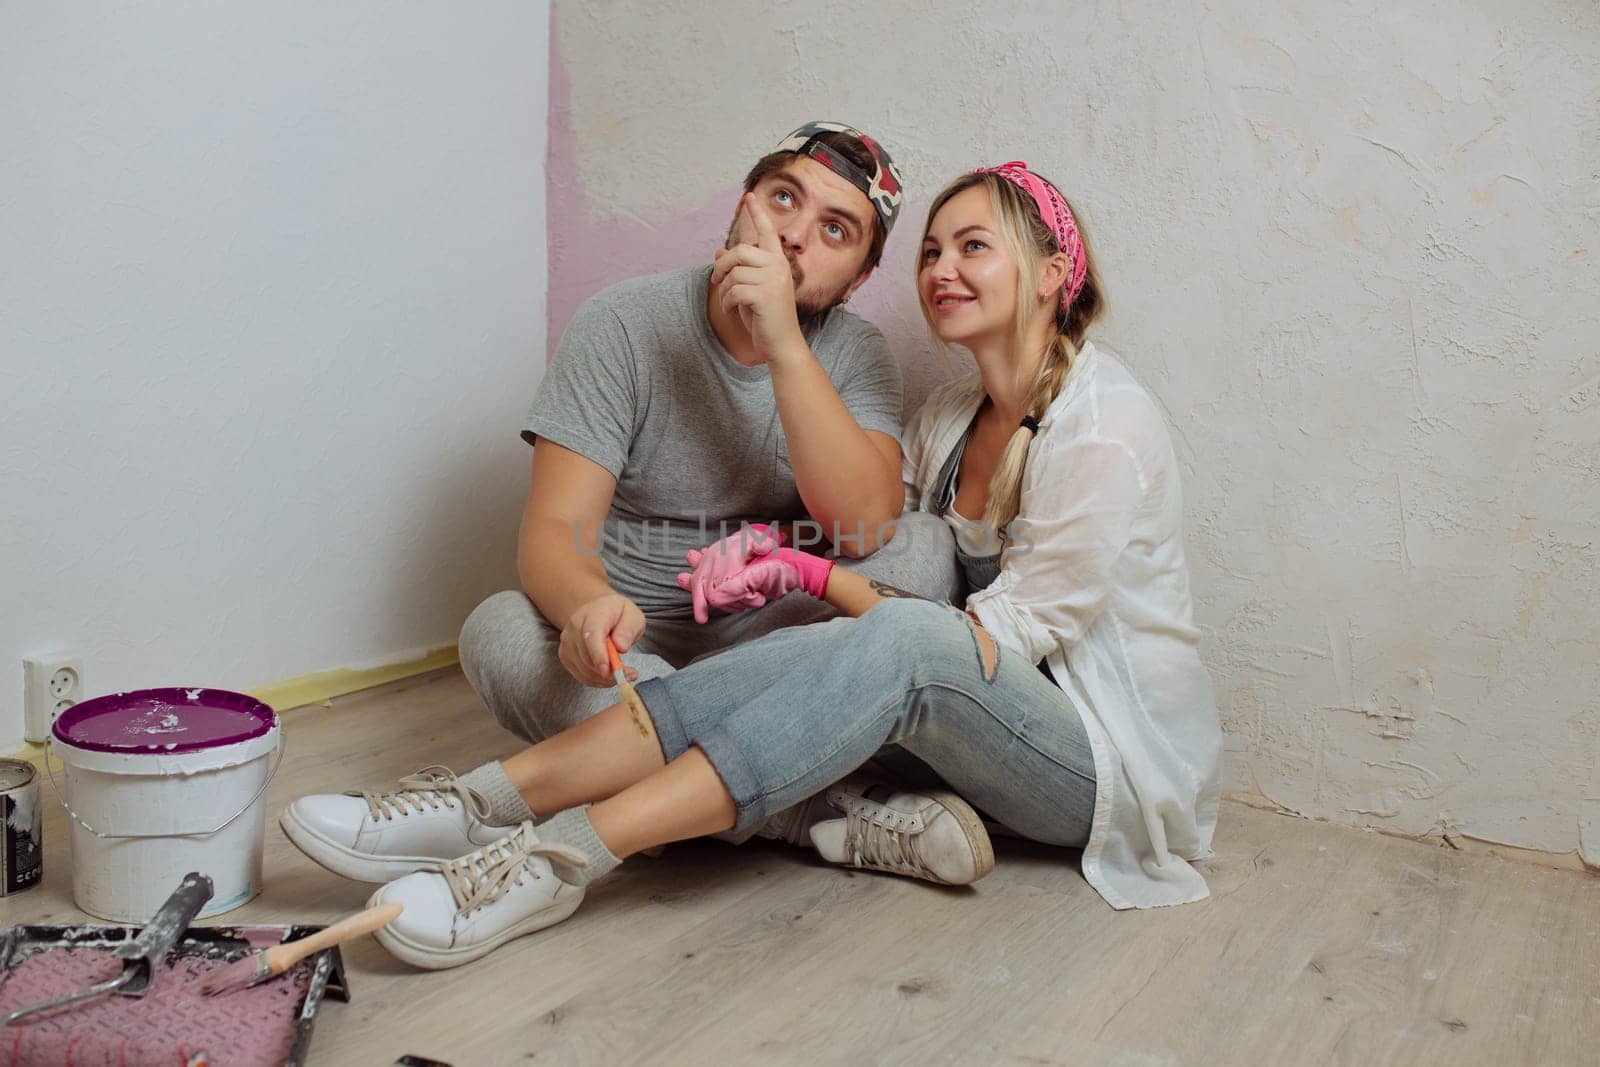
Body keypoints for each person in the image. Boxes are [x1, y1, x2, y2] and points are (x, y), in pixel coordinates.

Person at [284, 162, 1222, 971]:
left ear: (1056, 272)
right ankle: (755, 810)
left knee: (903, 617)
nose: (942, 270)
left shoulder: (1103, 425)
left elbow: (975, 637)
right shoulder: (948, 418)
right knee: (868, 629)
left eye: (972, 247)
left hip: (1096, 761)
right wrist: (786, 572)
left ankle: (550, 847)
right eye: (934, 251)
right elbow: (898, 624)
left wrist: (805, 575)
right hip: (949, 729)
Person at [280, 123, 984, 885]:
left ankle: (661, 786)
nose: (792, 235)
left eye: (834, 230)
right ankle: (806, 808)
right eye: (784, 198)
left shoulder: (854, 352)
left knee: (923, 546)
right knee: (496, 629)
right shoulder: (622, 323)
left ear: (854, 280)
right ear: (743, 206)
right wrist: (584, 606)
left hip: (772, 643)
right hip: (633, 652)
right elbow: (554, 528)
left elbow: (866, 525)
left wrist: (783, 341)